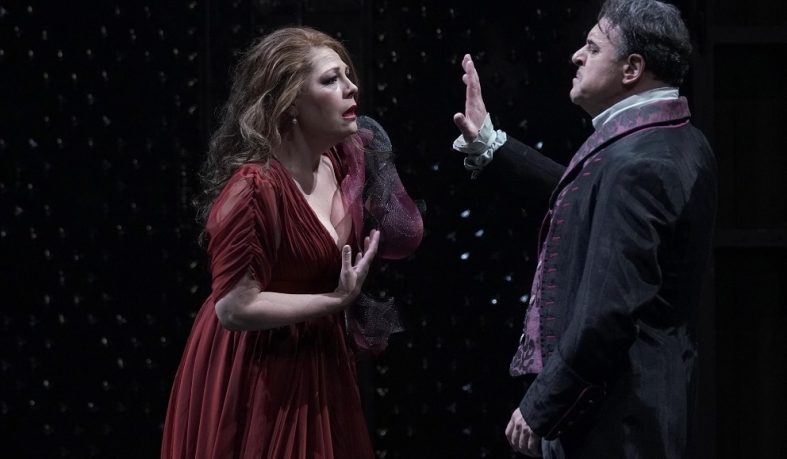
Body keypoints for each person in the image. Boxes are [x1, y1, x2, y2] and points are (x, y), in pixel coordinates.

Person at [452, 0, 717, 457]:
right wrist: (492, 145)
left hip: (617, 419)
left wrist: (542, 404)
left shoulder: (640, 163)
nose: (577, 56)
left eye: (593, 48)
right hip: (640, 404)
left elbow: (608, 312)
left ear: (632, 68)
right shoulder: (672, 136)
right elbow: (592, 195)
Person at [162, 27, 423, 458]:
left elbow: (406, 231)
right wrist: (335, 300)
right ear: (291, 102)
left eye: (348, 75)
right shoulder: (254, 189)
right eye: (331, 79)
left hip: (317, 357)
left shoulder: (341, 161)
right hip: (259, 368)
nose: (351, 87)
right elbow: (233, 308)